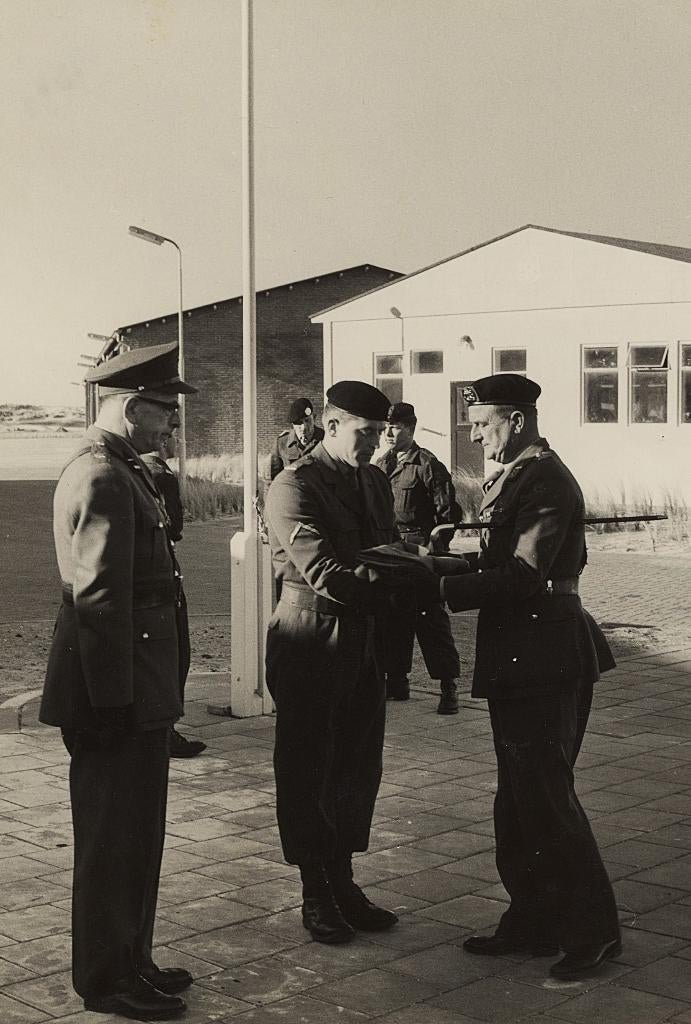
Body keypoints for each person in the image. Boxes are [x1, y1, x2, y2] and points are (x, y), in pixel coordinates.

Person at [415, 373, 621, 981]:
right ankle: (531, 919)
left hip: (547, 654)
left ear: (518, 420)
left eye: (483, 425)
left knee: (547, 798)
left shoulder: (547, 480)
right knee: (517, 800)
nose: (476, 437)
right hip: (520, 655)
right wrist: (441, 560)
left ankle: (594, 932)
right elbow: (501, 559)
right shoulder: (518, 477)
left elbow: (526, 576)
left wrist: (438, 584)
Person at [40, 341, 197, 1021]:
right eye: (166, 411)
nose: (172, 425)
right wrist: (115, 703)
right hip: (117, 694)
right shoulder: (104, 475)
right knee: (113, 841)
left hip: (136, 686)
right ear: (134, 407)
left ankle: (133, 957)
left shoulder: (123, 467)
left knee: (137, 834)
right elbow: (99, 602)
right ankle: (106, 978)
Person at [265, 380, 401, 946]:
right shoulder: (294, 485)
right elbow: (327, 574)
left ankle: (343, 879)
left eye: (379, 434)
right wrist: (417, 584)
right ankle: (314, 890)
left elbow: (387, 548)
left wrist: (424, 559)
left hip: (361, 639)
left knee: (355, 763)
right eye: (364, 433)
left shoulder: (371, 480)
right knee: (307, 767)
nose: (374, 444)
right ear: (332, 423)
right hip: (310, 638)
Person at [375, 401, 462, 713]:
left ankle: (448, 686)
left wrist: (433, 552)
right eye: (385, 426)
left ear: (410, 429)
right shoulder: (381, 464)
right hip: (390, 552)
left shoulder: (428, 465)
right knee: (392, 618)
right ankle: (397, 681)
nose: (387, 432)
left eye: (395, 427)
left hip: (421, 553)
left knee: (431, 622)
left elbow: (448, 514)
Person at [142, 431, 207, 758]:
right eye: (174, 437)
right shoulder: (162, 476)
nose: (179, 443)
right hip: (163, 574)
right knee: (176, 653)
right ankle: (166, 732)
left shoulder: (136, 469)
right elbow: (176, 527)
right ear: (163, 442)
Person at [269, 396, 324, 479]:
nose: (304, 427)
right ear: (293, 425)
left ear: (314, 418)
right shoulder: (281, 443)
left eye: (307, 420)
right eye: (298, 423)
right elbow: (272, 480)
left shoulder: (325, 439)